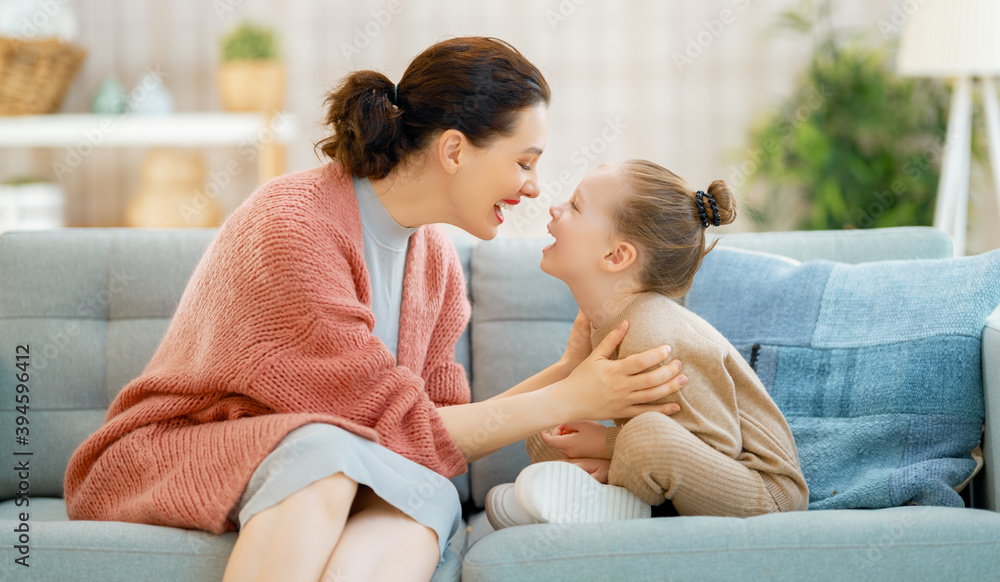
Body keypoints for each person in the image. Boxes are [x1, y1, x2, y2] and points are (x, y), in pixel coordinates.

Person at [62, 38, 687, 582]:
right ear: (454, 150)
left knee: (427, 495)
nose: (532, 188)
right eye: (524, 163)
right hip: (177, 448)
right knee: (326, 456)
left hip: (316, 454)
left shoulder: (435, 258)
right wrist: (572, 398)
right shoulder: (294, 227)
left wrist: (570, 370)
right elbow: (399, 430)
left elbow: (431, 429)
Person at [485, 161, 809, 529]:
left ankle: (612, 504)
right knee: (546, 420)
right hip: (687, 471)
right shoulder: (607, 322)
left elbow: (718, 445)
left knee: (644, 437)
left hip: (761, 492)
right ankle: (595, 502)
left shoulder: (655, 334)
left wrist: (609, 446)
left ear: (616, 256)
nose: (554, 208)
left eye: (575, 206)